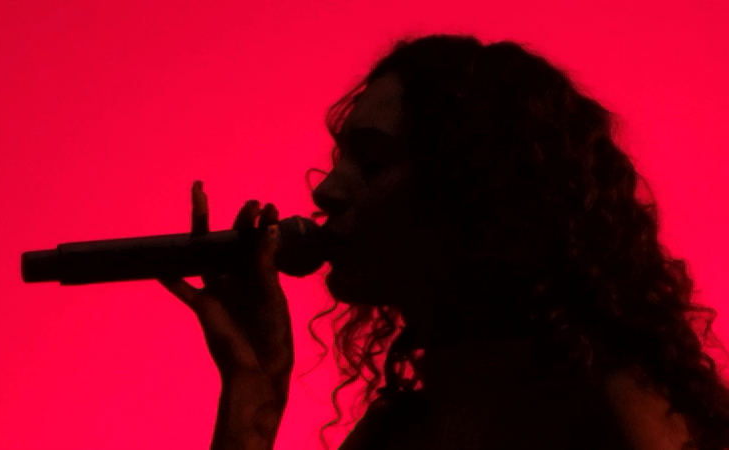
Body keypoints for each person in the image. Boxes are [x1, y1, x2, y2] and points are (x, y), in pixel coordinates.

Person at [159, 34, 729, 450]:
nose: (327, 191)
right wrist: (254, 401)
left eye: (373, 161)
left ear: (477, 190)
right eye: (339, 160)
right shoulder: (396, 434)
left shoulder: (607, 410)